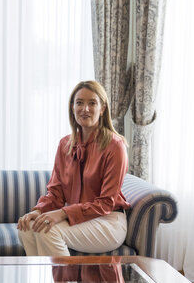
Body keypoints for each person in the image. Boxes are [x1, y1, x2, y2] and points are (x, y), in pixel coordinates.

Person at [17, 80, 130, 256]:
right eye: (79, 103)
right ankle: (49, 281)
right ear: (72, 107)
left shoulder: (115, 146)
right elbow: (55, 193)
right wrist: (38, 211)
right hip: (80, 219)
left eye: (92, 103)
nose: (85, 109)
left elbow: (106, 203)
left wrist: (62, 214)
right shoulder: (65, 144)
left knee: (49, 230)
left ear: (102, 109)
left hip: (108, 220)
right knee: (26, 228)